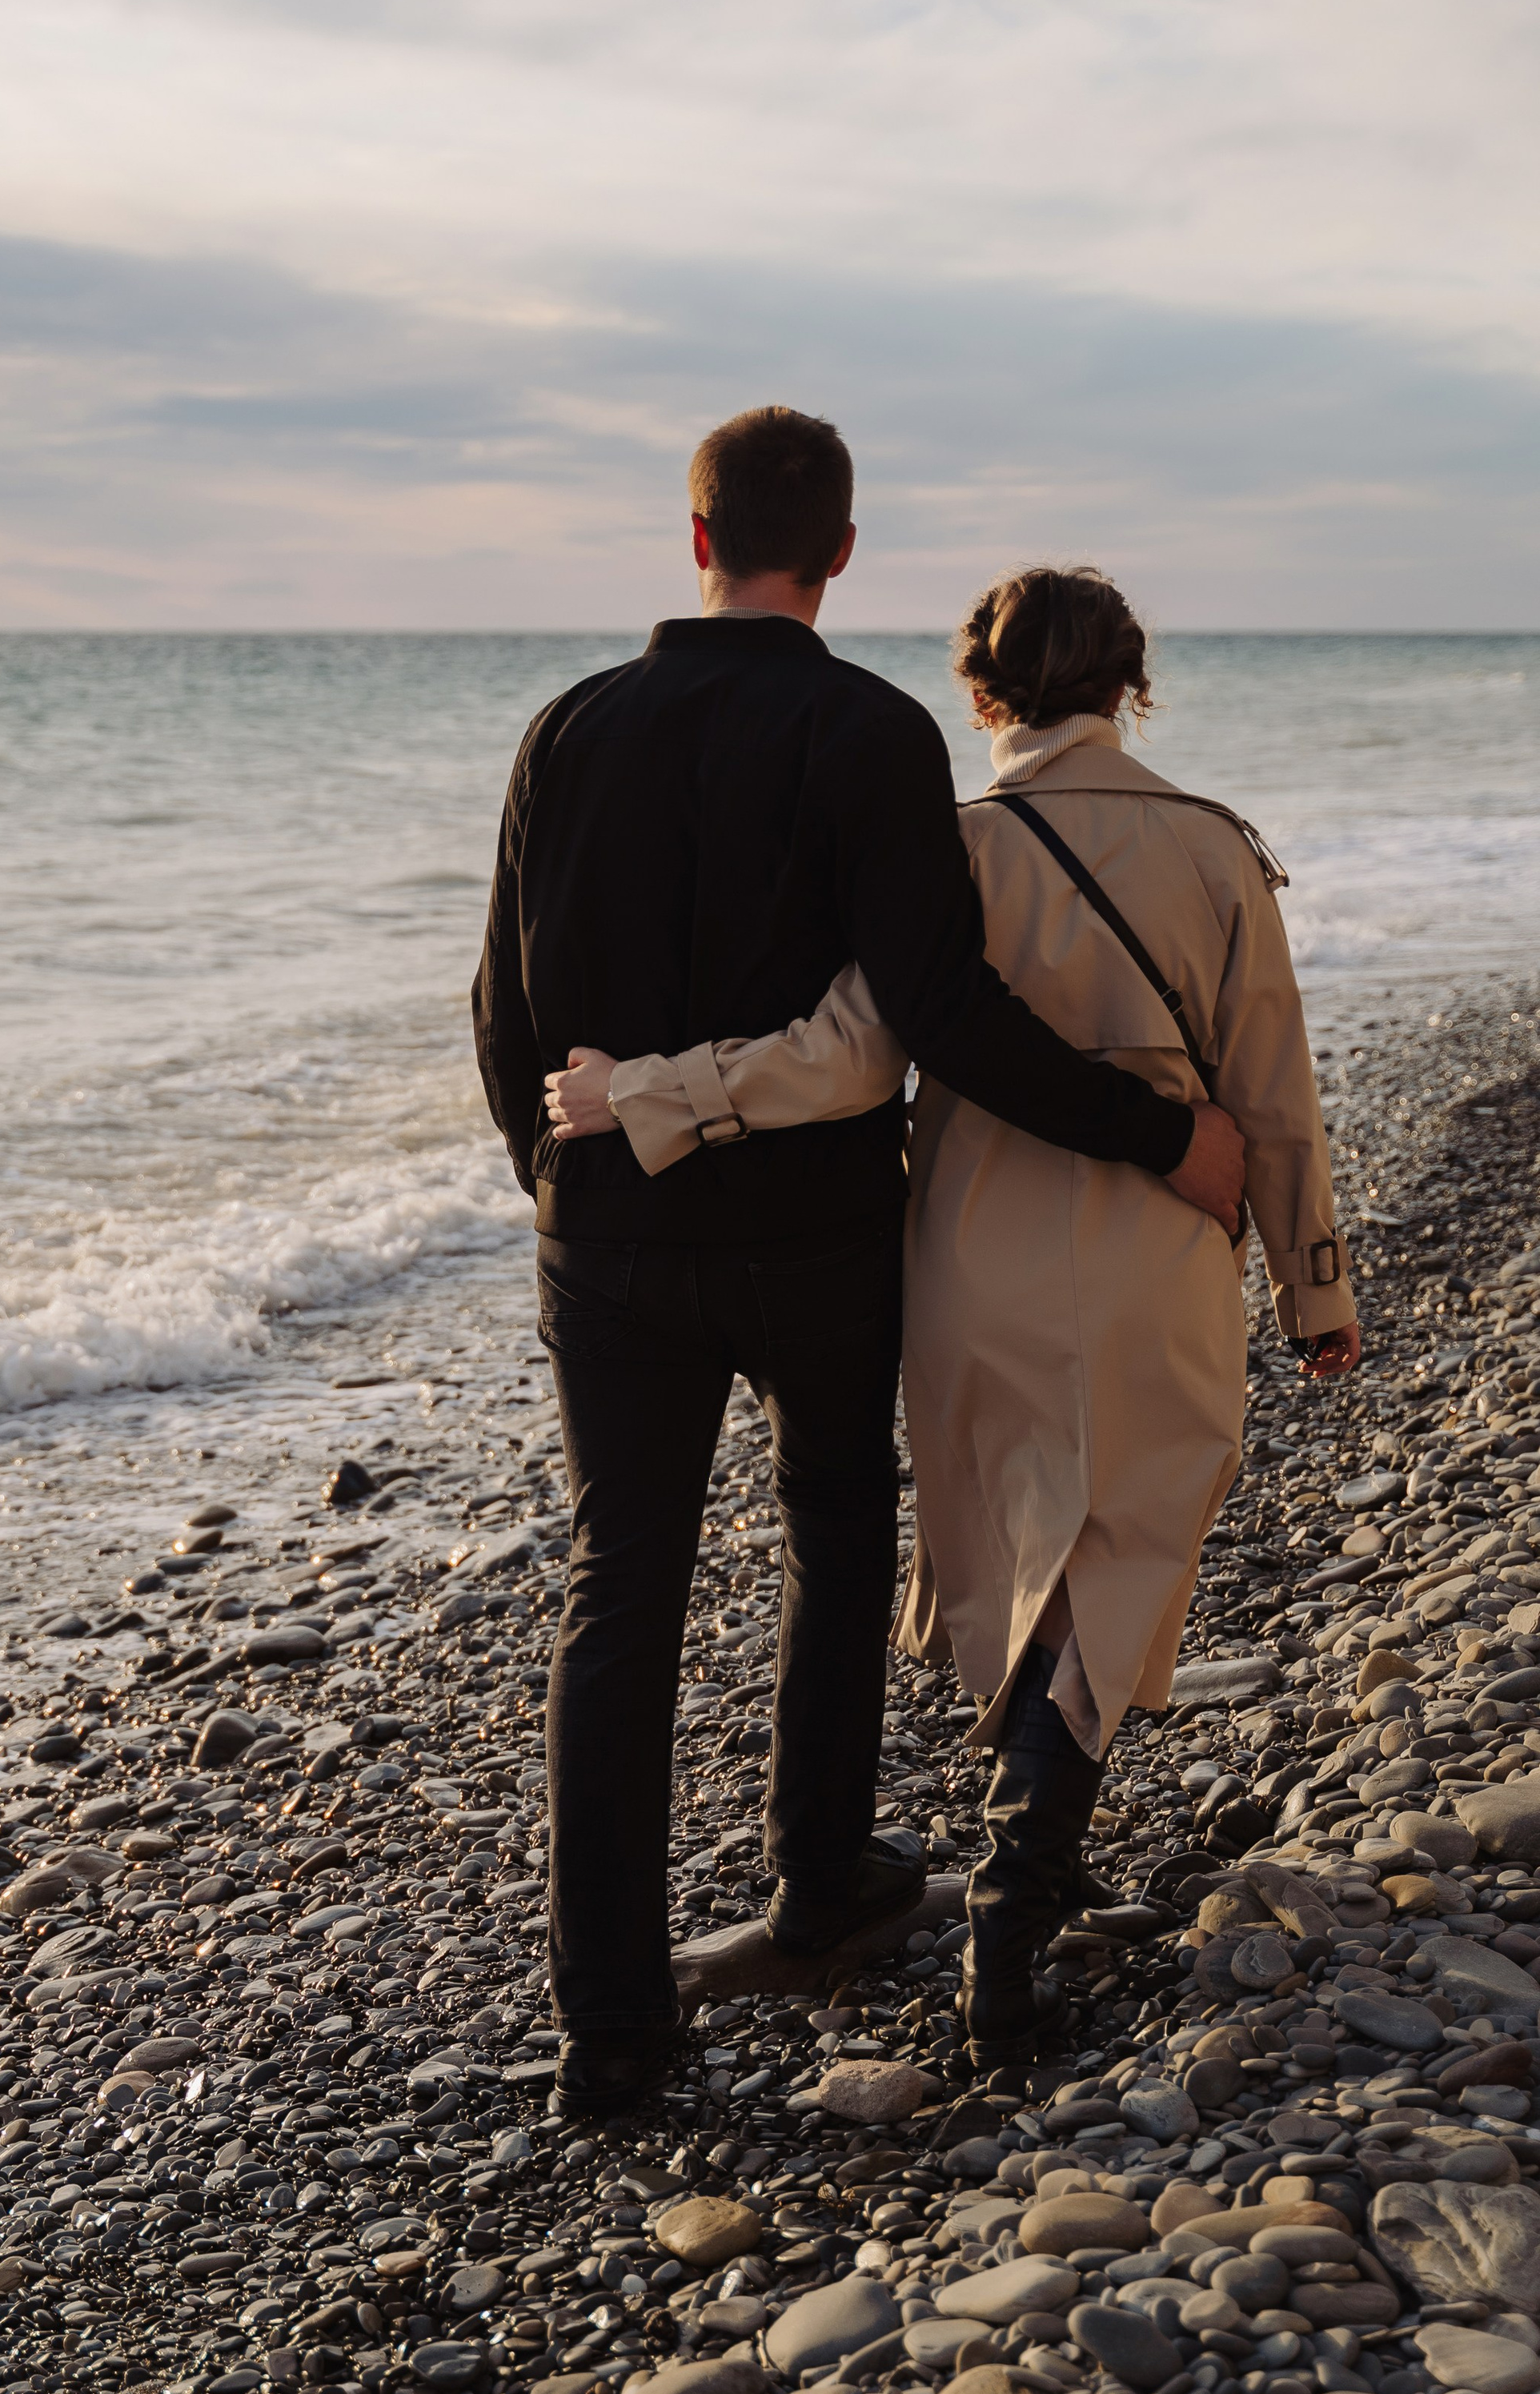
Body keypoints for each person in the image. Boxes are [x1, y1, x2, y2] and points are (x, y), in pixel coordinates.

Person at [471, 413, 1246, 2119]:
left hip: (607, 1238)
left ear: (693, 542)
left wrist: (556, 1183)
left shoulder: (567, 729)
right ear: (835, 553)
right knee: (832, 1523)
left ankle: (609, 2031)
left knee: (620, 1593)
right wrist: (1155, 1136)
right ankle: (817, 1882)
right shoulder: (867, 731)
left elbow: (504, 1010)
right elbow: (937, 1015)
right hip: (816, 1233)